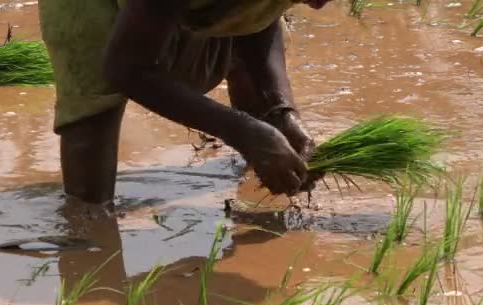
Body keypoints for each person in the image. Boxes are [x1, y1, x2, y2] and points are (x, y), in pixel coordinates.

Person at [38, 0, 331, 204]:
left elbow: (261, 16)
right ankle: (84, 237)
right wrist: (243, 132)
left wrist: (280, 111)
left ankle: (263, 178)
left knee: (251, 68)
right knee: (93, 123)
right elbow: (123, 68)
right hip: (89, 10)